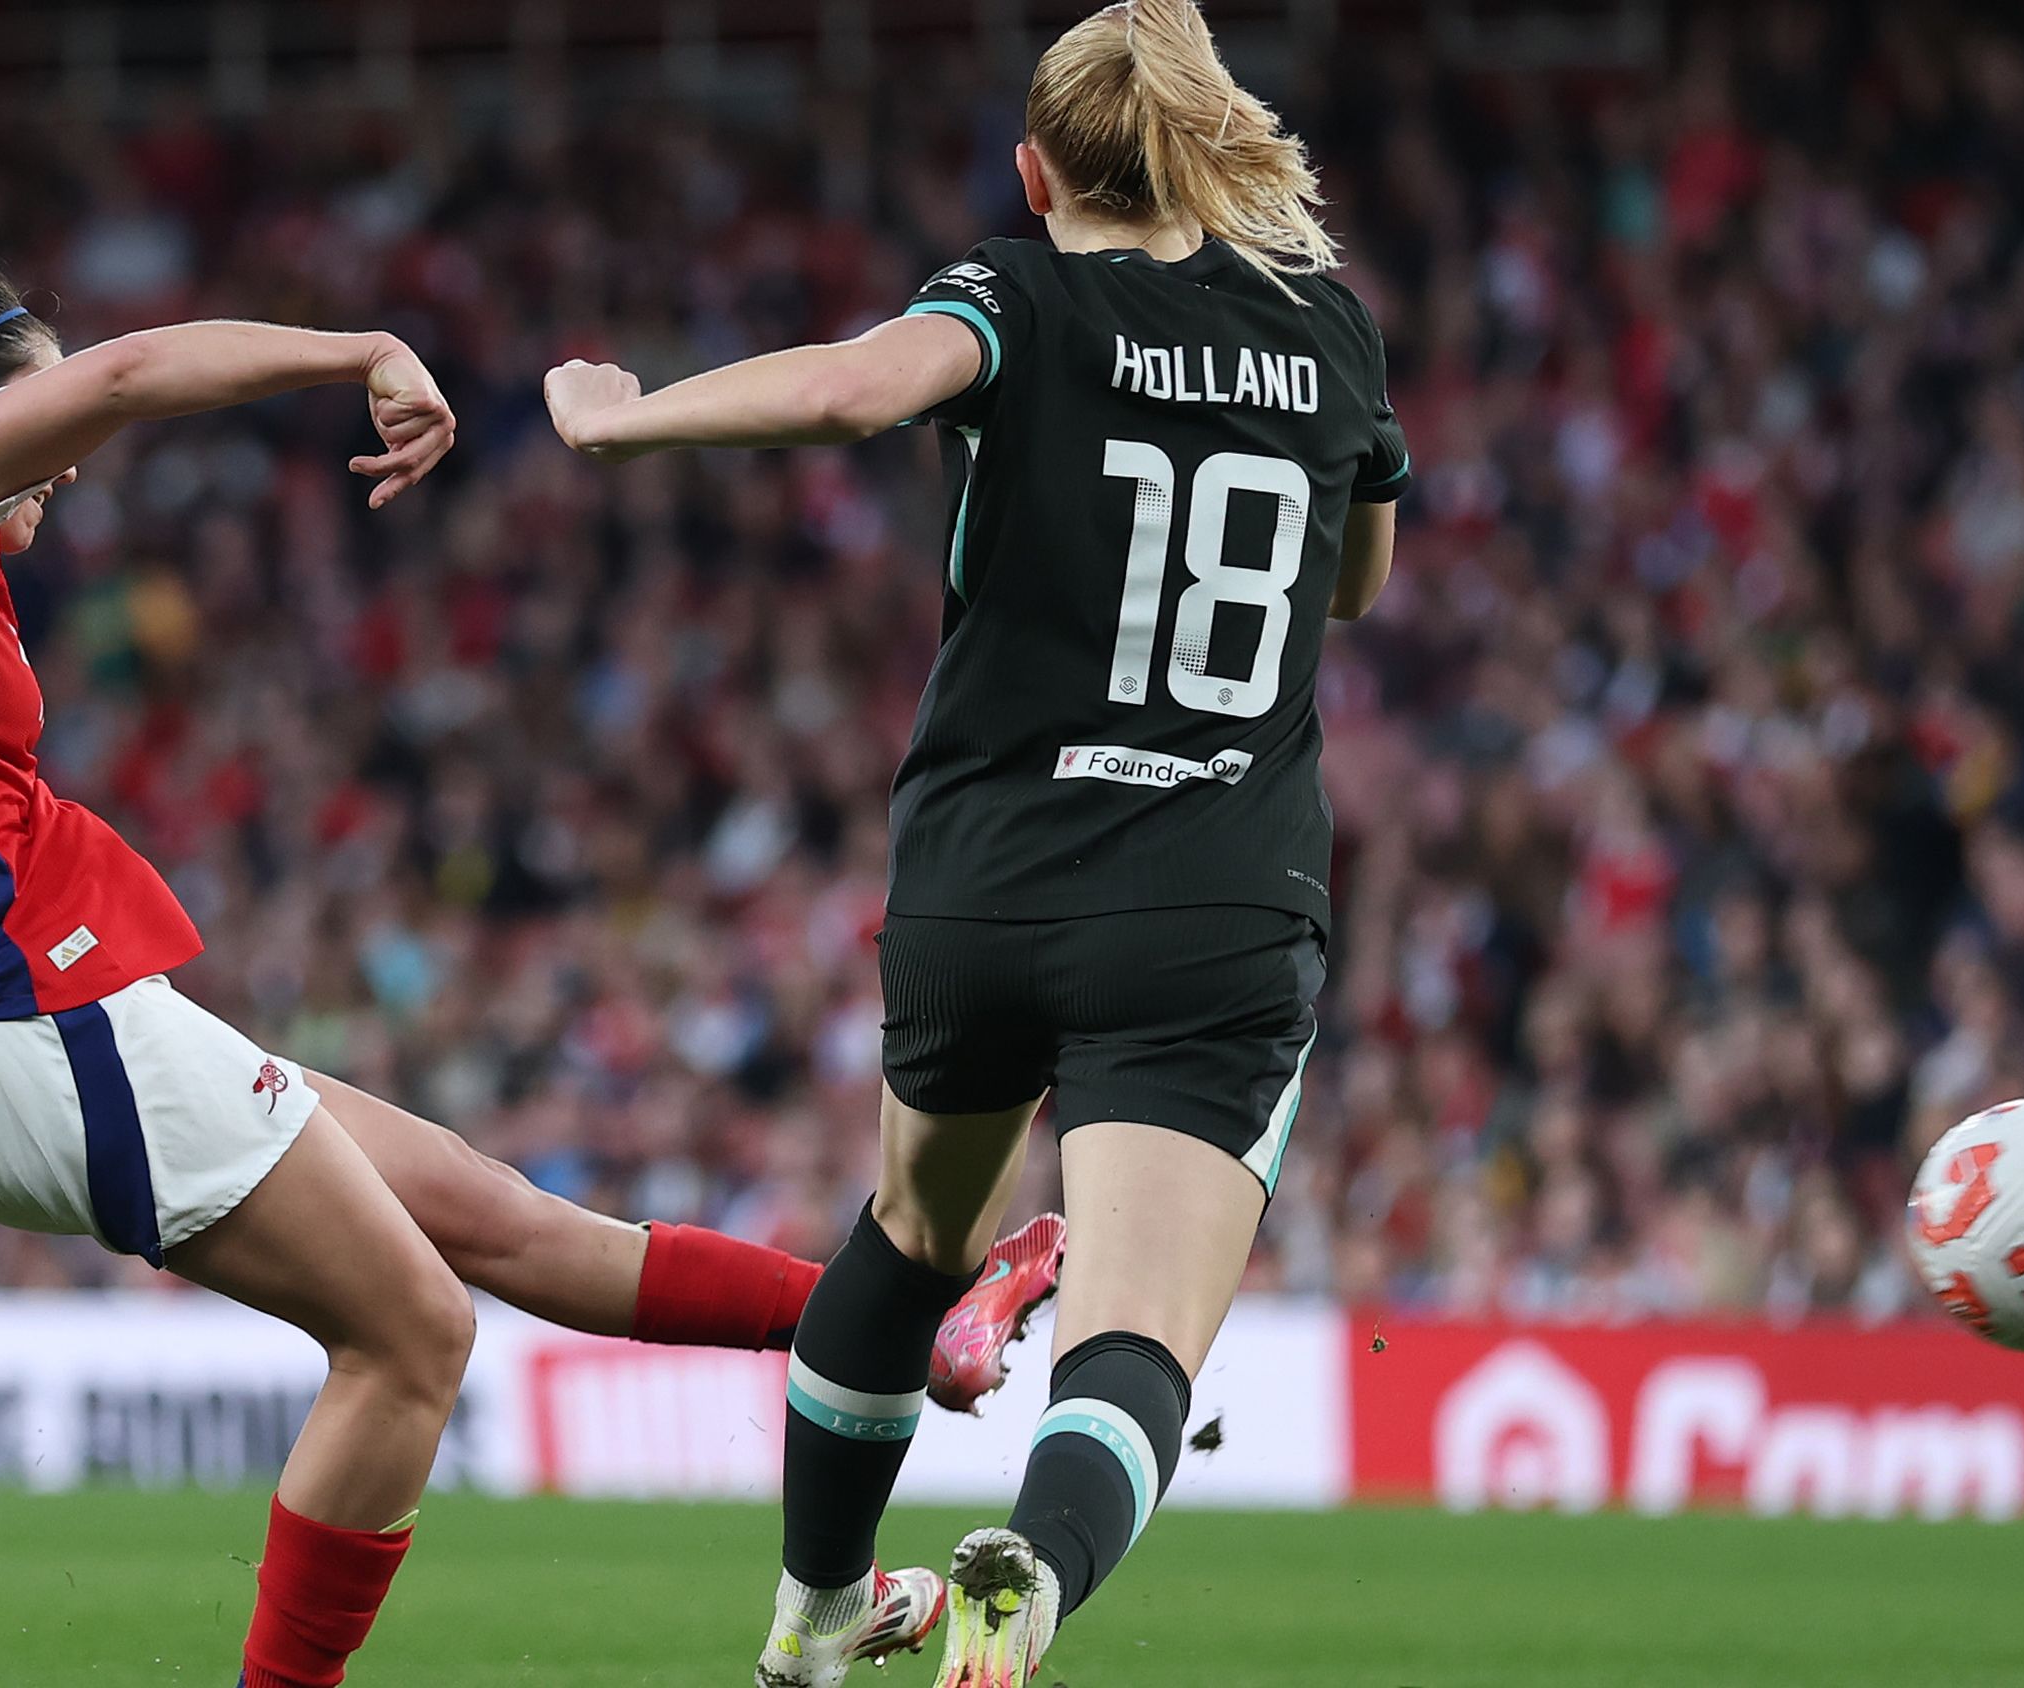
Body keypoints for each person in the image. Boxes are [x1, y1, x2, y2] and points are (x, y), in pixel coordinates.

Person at [0, 232, 1061, 1688]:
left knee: (499, 1222)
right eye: (29, 395)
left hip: (10, 1031)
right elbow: (133, 375)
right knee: (417, 1339)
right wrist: (363, 346)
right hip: (16, 1018)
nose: (62, 457)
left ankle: (927, 1343)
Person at [544, 3, 1406, 1683]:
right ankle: (1034, 1580)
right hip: (1212, 900)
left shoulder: (1017, 289)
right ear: (1210, 145)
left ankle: (811, 1623)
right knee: (1138, 1336)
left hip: (983, 885)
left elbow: (858, 389)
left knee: (909, 1236)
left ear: (1033, 172)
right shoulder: (1332, 330)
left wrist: (620, 416)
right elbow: (1355, 588)